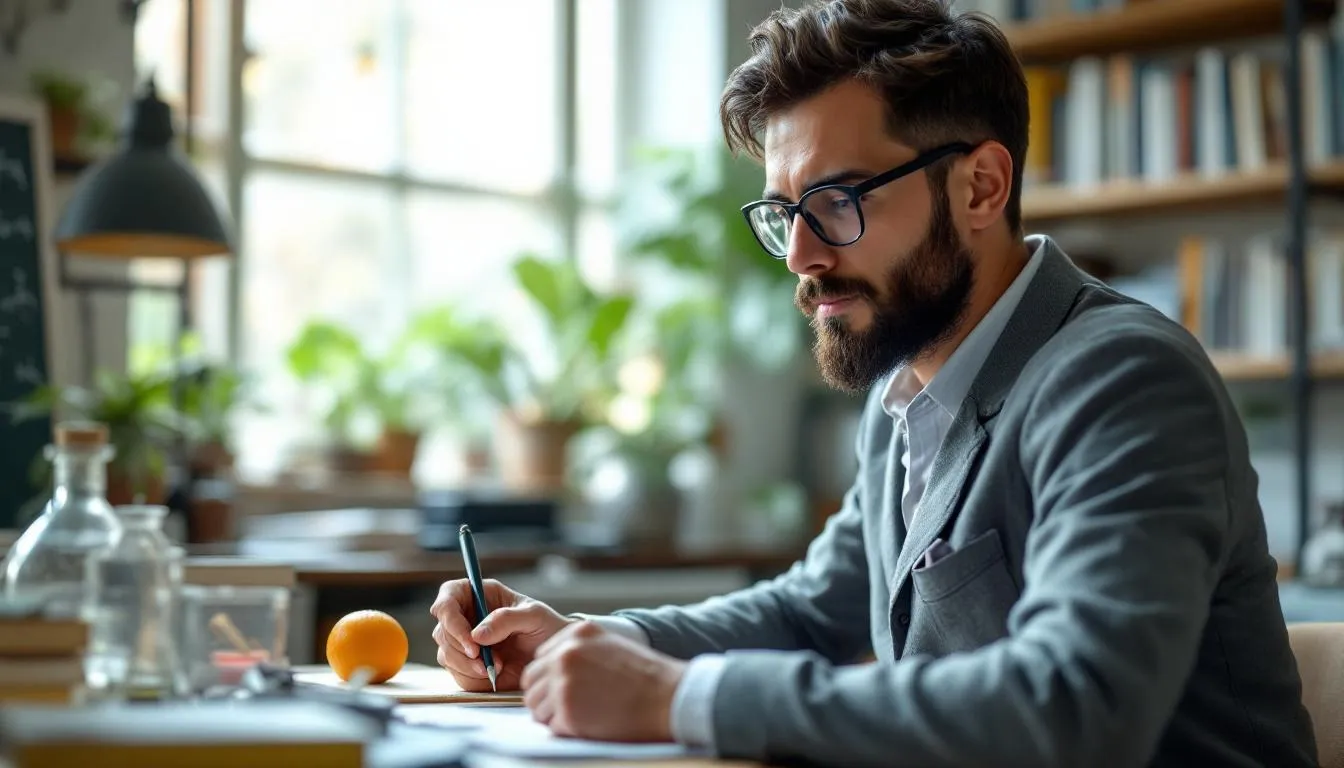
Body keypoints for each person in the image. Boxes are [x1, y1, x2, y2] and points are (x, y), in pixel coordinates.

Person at [430, 1, 1319, 765]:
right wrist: (592, 640)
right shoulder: (906, 391)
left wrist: (680, 698)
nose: (802, 255)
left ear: (981, 187)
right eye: (786, 212)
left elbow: (1077, 704)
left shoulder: (1121, 377)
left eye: (838, 202)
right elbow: (815, 610)